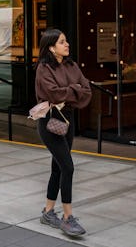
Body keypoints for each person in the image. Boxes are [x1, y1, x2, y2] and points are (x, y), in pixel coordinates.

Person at [35, 28, 92, 237]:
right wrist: (74, 89)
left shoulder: (72, 65)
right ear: (51, 47)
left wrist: (69, 92)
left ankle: (48, 211)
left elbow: (87, 91)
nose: (67, 44)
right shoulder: (43, 68)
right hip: (50, 122)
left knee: (58, 168)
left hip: (68, 120)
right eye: (62, 42)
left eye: (66, 41)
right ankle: (67, 218)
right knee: (67, 167)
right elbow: (52, 93)